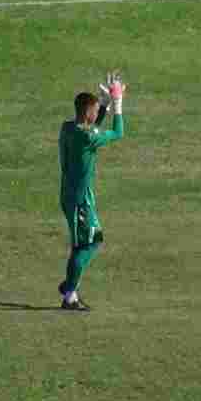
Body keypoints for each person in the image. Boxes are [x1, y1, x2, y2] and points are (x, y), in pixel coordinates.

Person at [58, 73, 127, 312]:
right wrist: (116, 103)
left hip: (70, 194)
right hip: (79, 200)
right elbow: (118, 132)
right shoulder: (88, 136)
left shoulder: (68, 128)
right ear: (88, 113)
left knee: (88, 241)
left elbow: (91, 129)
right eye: (96, 109)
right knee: (88, 245)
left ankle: (70, 286)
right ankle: (69, 292)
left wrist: (103, 103)